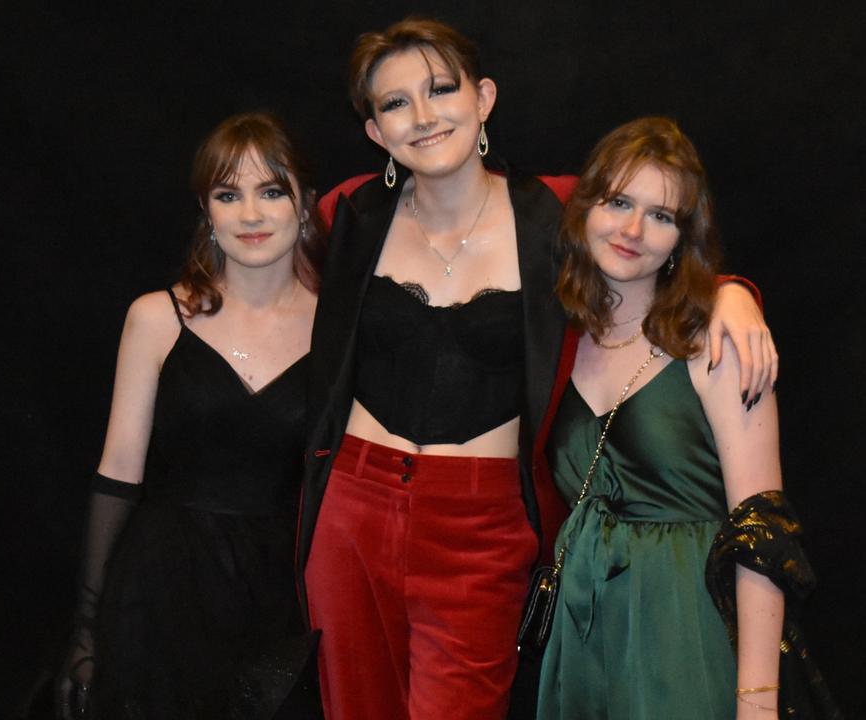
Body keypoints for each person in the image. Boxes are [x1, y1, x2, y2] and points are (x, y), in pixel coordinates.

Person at [298, 19, 777, 720]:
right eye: (395, 103)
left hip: (483, 524)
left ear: (483, 97)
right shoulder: (346, 215)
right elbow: (265, 292)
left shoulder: (556, 210)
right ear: (374, 131)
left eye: (440, 89)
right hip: (351, 508)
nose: (424, 116)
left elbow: (655, 235)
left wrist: (734, 294)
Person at [536, 116, 829, 719]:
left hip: (687, 636)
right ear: (584, 207)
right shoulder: (553, 341)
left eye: (662, 215)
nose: (634, 230)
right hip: (582, 640)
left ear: (682, 238)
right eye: (619, 202)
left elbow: (763, 534)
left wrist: (757, 701)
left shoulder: (720, 345)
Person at [55, 112, 324, 720]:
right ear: (207, 210)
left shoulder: (339, 328)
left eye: (271, 191)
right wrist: (87, 629)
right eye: (229, 195)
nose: (250, 214)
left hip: (283, 600)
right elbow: (117, 474)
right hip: (161, 595)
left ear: (304, 204)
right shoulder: (156, 317)